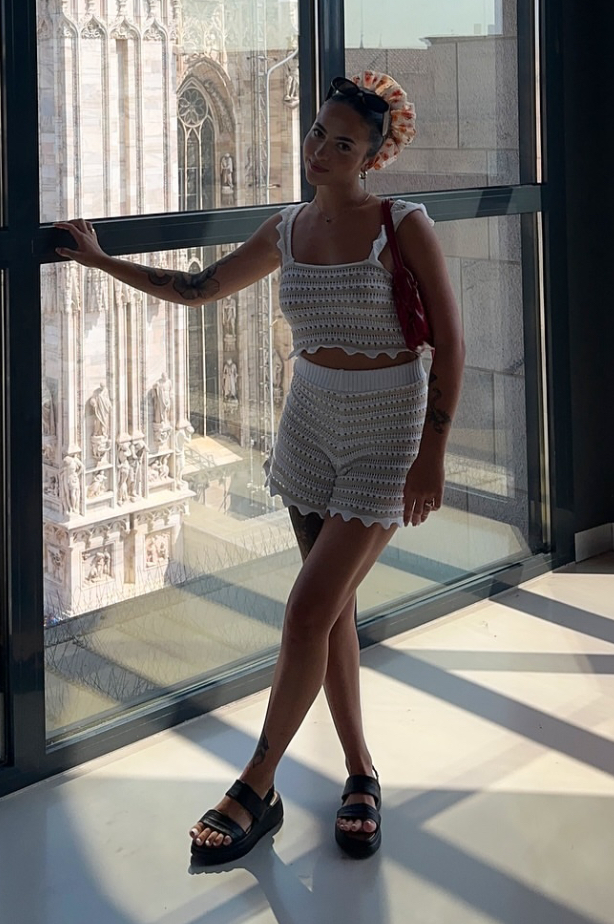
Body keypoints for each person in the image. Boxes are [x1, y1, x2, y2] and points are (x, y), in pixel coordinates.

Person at [55, 70, 465, 863]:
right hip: (309, 423)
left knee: (307, 609)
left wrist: (432, 454)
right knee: (331, 611)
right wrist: (101, 262)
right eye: (317, 133)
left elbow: (449, 341)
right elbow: (197, 288)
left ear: (371, 157)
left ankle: (257, 784)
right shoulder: (287, 228)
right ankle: (360, 770)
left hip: (386, 430)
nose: (320, 151)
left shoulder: (402, 223)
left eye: (341, 144)